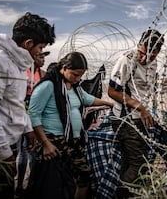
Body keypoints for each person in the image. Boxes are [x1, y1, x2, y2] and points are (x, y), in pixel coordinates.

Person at [0, 12, 55, 199]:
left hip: (2, 143)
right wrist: (4, 154)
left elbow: (15, 103)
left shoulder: (17, 64)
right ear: (28, 43)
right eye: (40, 47)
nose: (40, 52)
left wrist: (27, 128)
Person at [27, 51, 113, 199]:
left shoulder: (75, 87)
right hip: (53, 141)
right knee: (53, 182)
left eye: (80, 75)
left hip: (73, 141)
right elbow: (33, 114)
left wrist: (110, 103)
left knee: (84, 175)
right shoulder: (49, 85)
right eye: (75, 74)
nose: (77, 79)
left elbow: (88, 99)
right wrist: (45, 144)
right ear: (64, 67)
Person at [108, 29, 164, 197]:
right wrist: (140, 107)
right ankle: (123, 195)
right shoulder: (127, 60)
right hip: (125, 119)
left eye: (153, 55)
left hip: (142, 118)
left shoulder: (153, 63)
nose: (146, 59)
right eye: (143, 53)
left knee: (131, 161)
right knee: (139, 163)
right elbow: (112, 91)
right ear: (140, 45)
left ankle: (127, 192)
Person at [15, 51, 50, 197]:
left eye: (43, 57)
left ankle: (30, 185)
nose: (42, 59)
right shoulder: (23, 74)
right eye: (40, 56)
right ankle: (20, 185)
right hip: (22, 114)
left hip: (35, 116)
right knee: (23, 151)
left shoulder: (43, 74)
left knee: (32, 151)